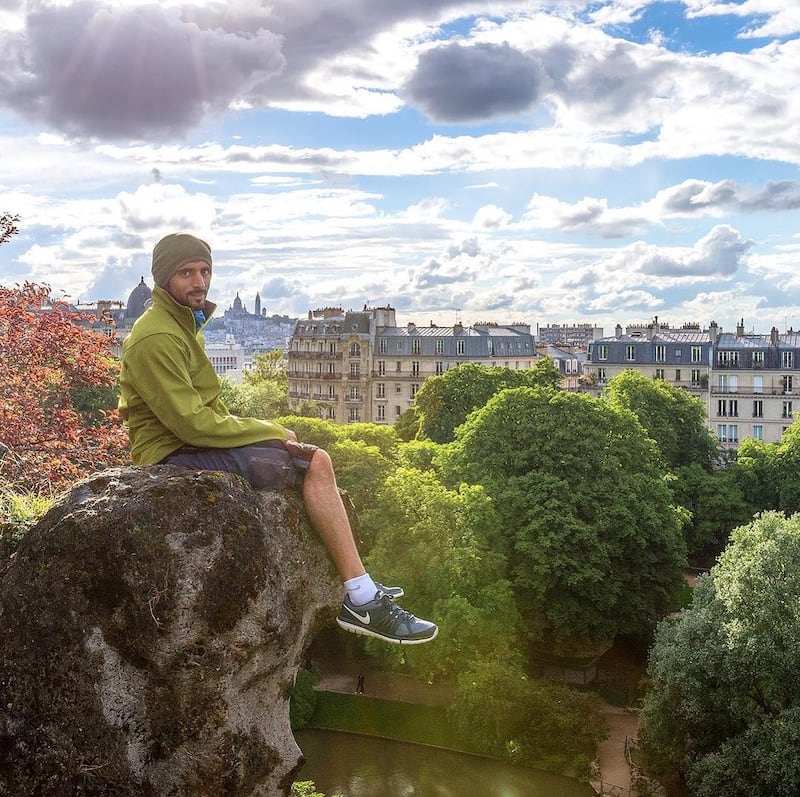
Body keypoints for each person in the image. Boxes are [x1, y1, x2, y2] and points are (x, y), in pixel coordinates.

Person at [118, 233, 437, 646]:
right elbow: (193, 424)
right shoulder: (158, 336)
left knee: (304, 454)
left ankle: (361, 591)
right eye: (186, 273)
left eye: (205, 271)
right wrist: (269, 430)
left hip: (182, 446)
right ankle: (362, 598)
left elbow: (203, 414)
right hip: (173, 455)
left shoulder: (178, 323)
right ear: (164, 278)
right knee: (314, 462)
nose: (199, 282)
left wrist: (262, 428)